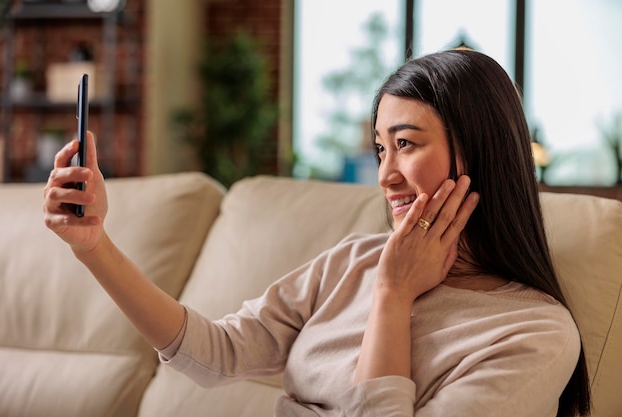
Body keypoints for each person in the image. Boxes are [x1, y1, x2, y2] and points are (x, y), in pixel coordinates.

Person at [43, 49, 591, 416]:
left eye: (406, 144)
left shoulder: (534, 335)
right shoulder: (352, 261)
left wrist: (393, 294)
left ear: (481, 150)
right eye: (381, 148)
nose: (385, 176)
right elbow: (215, 353)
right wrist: (95, 247)